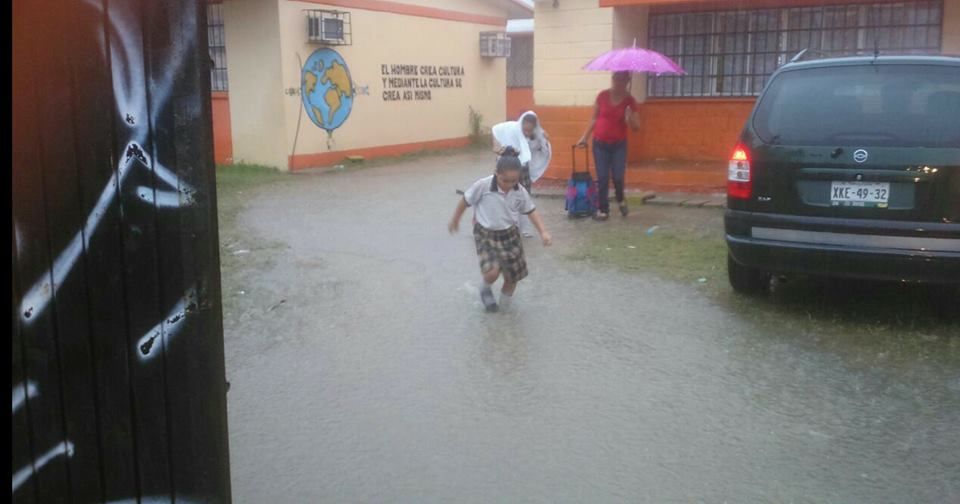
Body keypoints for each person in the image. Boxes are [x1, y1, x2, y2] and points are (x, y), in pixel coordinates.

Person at [449, 152, 552, 312]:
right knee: (492, 273)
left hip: (510, 235)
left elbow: (531, 211)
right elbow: (465, 201)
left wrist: (543, 232)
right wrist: (455, 220)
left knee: (513, 277)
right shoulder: (483, 185)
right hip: (485, 233)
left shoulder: (520, 191)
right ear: (496, 172)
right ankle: (485, 288)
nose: (508, 185)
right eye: (505, 180)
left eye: (514, 181)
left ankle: (504, 312)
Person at [577, 71, 641, 220]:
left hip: (619, 145)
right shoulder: (602, 96)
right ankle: (603, 209)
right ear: (612, 79)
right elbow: (594, 119)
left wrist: (629, 117)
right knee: (603, 177)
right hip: (600, 144)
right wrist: (584, 137)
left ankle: (620, 199)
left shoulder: (630, 101)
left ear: (627, 81)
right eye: (616, 79)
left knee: (618, 177)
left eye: (622, 80)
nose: (618, 83)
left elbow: (637, 127)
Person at [491, 112, 552, 236]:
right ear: (521, 125)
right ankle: (503, 225)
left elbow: (541, 150)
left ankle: (524, 229)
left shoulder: (536, 136)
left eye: (530, 130)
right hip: (506, 168)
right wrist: (496, 146)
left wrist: (545, 140)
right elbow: (495, 130)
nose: (527, 133)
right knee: (503, 196)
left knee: (524, 197)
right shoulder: (511, 129)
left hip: (523, 170)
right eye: (525, 130)